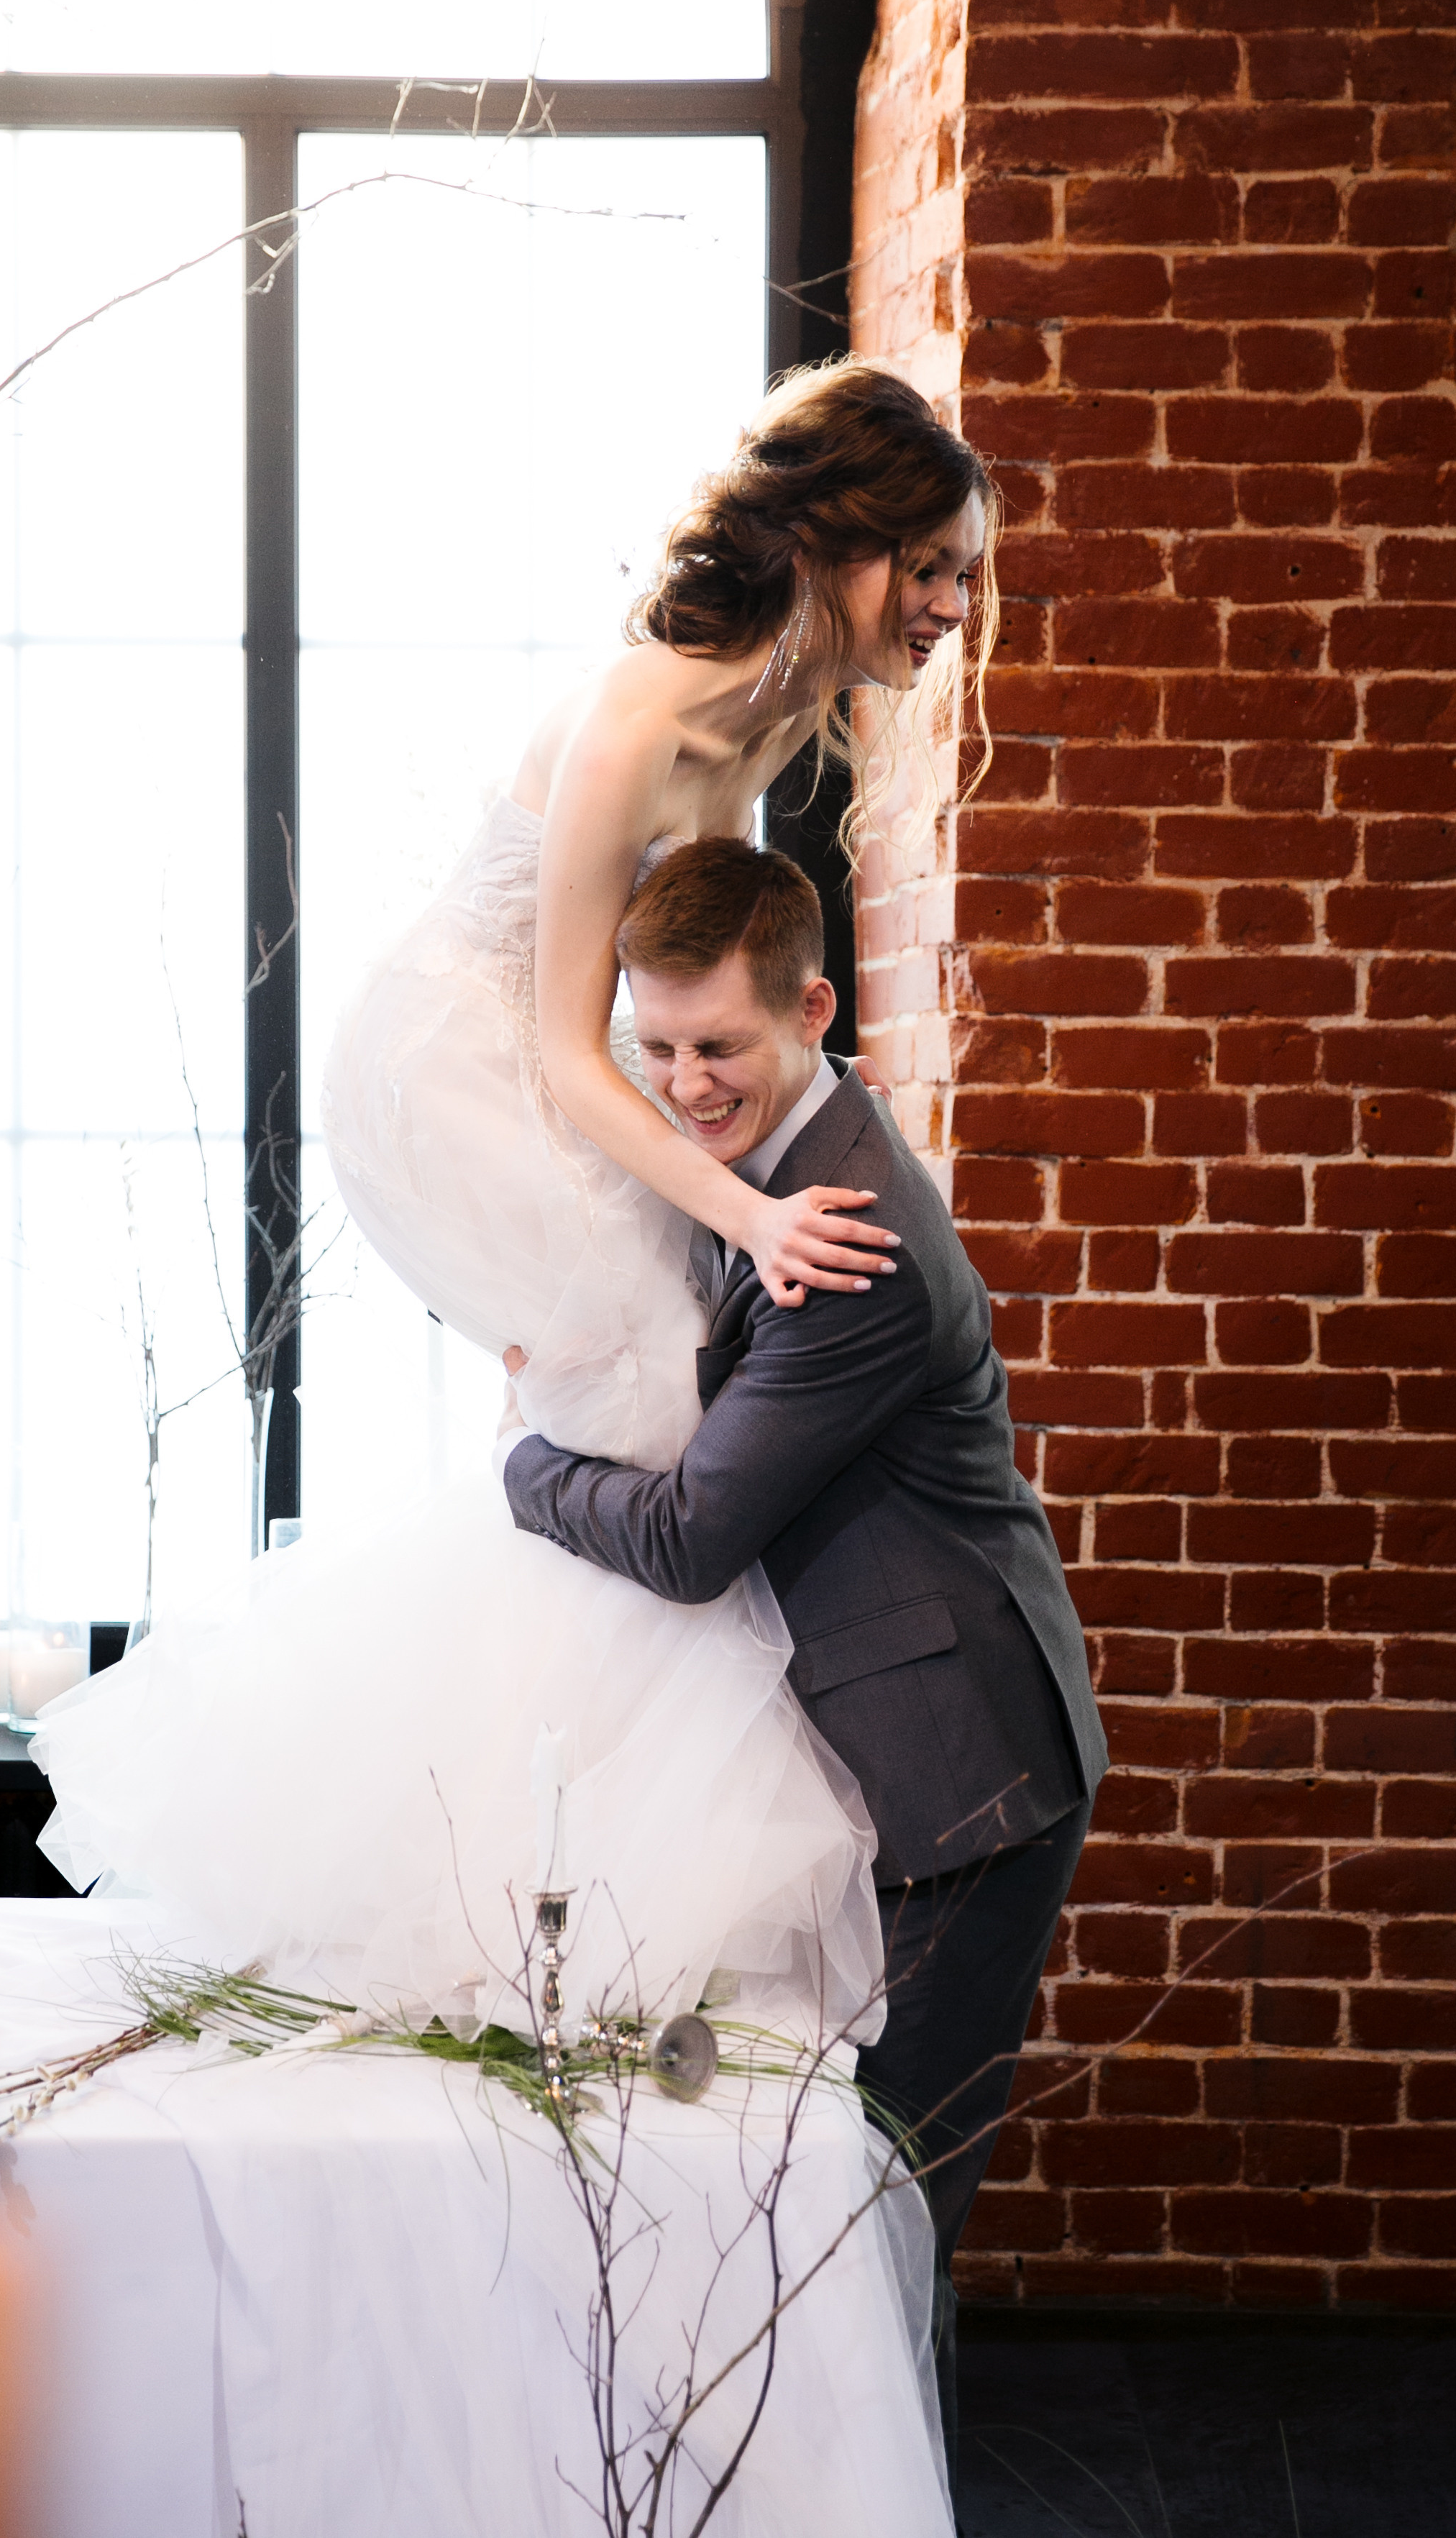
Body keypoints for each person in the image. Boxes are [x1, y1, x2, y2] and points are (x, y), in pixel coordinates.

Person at [33, 358, 1002, 2060]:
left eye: (958, 575)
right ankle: (502, 1886)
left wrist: (745, 1189)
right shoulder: (648, 715)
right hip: (447, 1069)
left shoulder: (784, 713)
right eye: (923, 563)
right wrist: (758, 1222)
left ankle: (563, 1871)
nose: (944, 604)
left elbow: (688, 1009)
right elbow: (564, 1049)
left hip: (560, 1074)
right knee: (640, 1387)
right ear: (832, 536)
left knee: (635, 1387)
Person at [498, 837, 1106, 2473]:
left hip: (960, 1757)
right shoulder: (764, 1160)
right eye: (662, 1048)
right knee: (828, 2187)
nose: (688, 1087)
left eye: (724, 1049)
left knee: (882, 2200)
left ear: (814, 1009)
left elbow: (694, 1536)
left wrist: (526, 1464)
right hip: (877, 1717)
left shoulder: (845, 1237)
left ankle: (881, 2499)